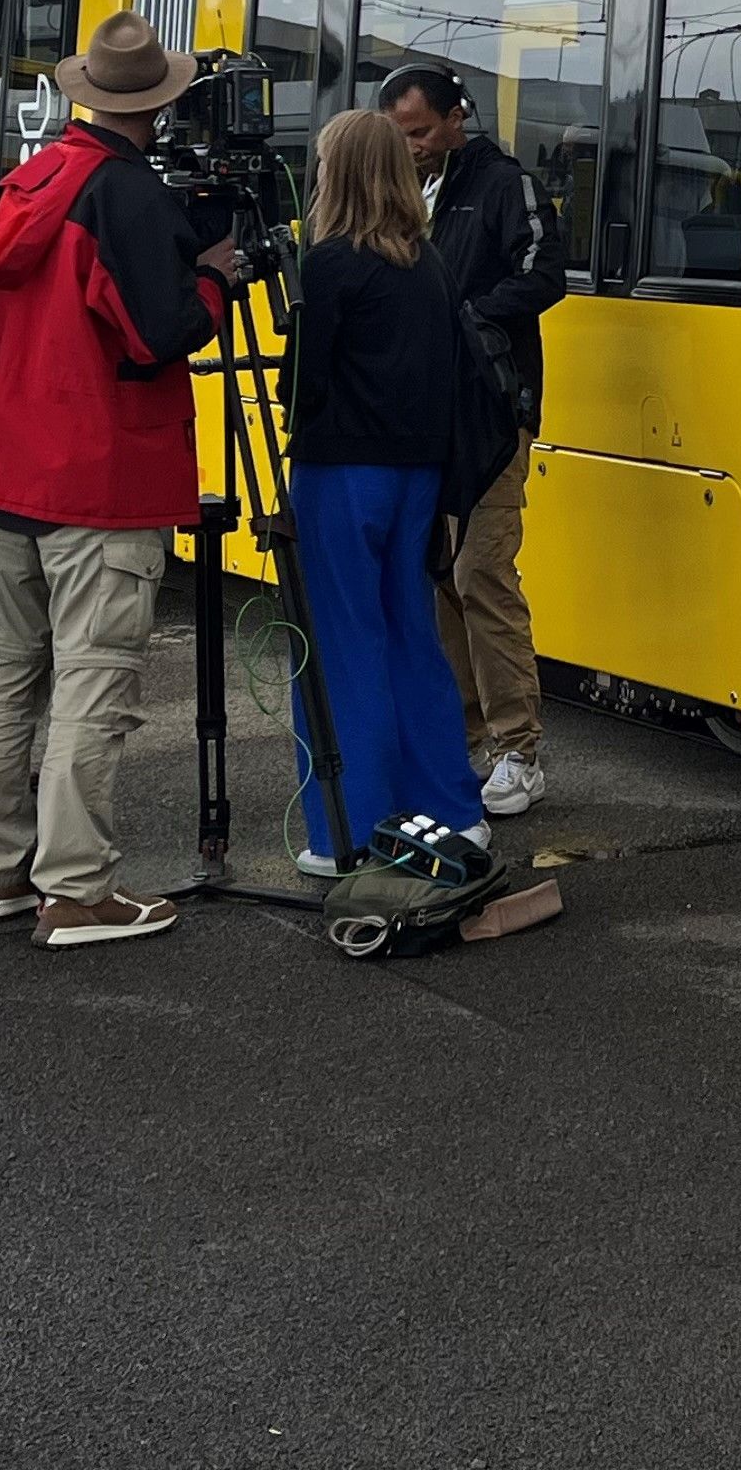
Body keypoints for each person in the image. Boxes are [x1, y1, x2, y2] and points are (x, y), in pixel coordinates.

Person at [0, 13, 236, 951]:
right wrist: (218, 282)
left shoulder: (23, 183)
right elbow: (154, 336)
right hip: (99, 479)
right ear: (155, 106)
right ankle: (75, 890)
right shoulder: (127, 197)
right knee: (92, 686)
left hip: (9, 474)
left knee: (6, 681)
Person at [289, 106, 489, 875]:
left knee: (342, 646)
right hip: (418, 475)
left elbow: (303, 383)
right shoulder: (427, 262)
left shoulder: (330, 263)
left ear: (334, 173)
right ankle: (452, 810)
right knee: (412, 635)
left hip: (343, 474)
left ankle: (350, 824)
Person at [378, 63, 562, 817]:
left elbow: (545, 272)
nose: (411, 148)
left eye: (419, 132)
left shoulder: (501, 183)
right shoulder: (402, 186)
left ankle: (518, 748)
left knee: (483, 573)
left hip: (490, 412)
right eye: (399, 136)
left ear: (459, 117)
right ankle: (473, 739)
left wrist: (466, 319)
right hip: (430, 413)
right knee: (445, 579)